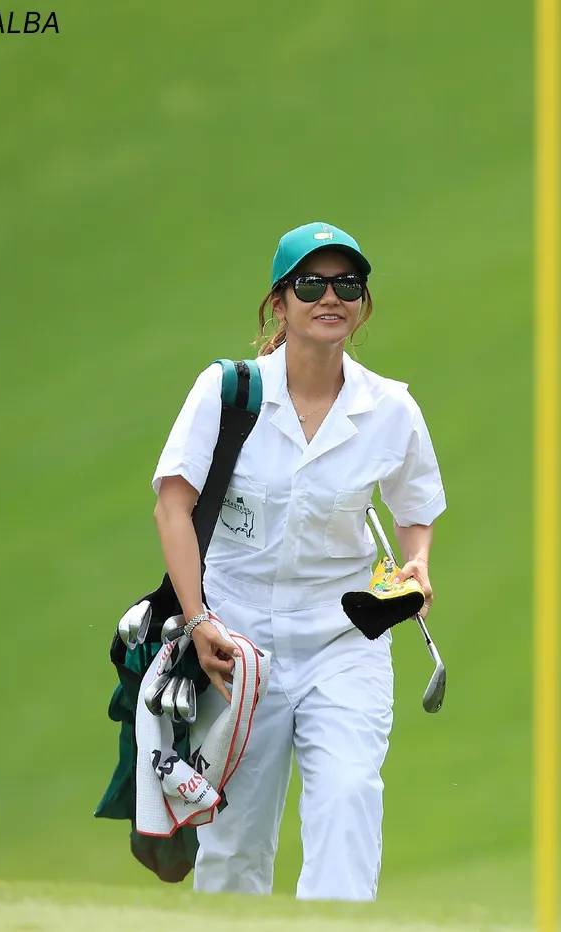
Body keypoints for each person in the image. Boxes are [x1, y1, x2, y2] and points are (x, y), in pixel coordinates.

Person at [150, 221, 447, 901]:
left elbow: (415, 506)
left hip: (342, 641)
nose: (330, 297)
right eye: (311, 284)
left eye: (347, 284)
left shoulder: (391, 408)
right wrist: (197, 620)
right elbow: (173, 507)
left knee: (348, 797)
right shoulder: (228, 393)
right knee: (234, 845)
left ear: (363, 303)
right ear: (279, 304)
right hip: (235, 647)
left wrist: (417, 563)